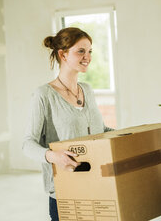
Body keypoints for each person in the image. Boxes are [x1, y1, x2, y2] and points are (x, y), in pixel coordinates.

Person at [23, 27, 113, 221]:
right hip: (65, 192)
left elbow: (101, 130)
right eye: (80, 51)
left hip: (97, 185)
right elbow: (28, 144)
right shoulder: (44, 95)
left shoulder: (87, 90)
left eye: (90, 51)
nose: (87, 57)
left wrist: (131, 136)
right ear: (63, 54)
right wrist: (53, 156)